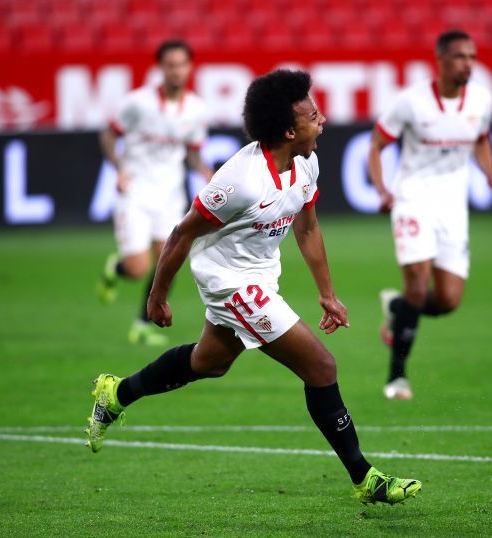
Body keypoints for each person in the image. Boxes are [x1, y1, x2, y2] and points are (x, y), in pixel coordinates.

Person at [86, 69, 422, 505]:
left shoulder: (306, 162)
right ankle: (365, 477)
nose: (321, 121)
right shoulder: (240, 180)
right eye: (312, 116)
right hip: (229, 283)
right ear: (287, 130)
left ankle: (116, 393)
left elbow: (307, 227)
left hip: (261, 275)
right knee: (321, 367)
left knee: (210, 362)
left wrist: (327, 293)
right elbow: (181, 234)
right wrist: (157, 295)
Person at [368, 30, 492, 400]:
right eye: (461, 56)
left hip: (452, 205)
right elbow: (377, 144)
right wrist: (383, 190)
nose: (468, 64)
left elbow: (480, 138)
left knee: (447, 300)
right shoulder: (411, 102)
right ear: (441, 60)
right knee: (417, 281)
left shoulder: (481, 99)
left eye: (472, 57)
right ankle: (397, 377)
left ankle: (396, 308)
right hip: (413, 198)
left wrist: (490, 173)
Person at [97, 39, 214, 346]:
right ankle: (115, 269)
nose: (176, 71)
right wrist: (119, 168)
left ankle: (141, 325)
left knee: (169, 261)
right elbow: (109, 135)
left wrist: (203, 170)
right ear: (161, 68)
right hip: (135, 192)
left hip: (169, 196)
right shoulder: (137, 102)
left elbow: (192, 152)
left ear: (190, 67)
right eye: (170, 65)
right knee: (138, 268)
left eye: (182, 65)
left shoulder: (197, 109)